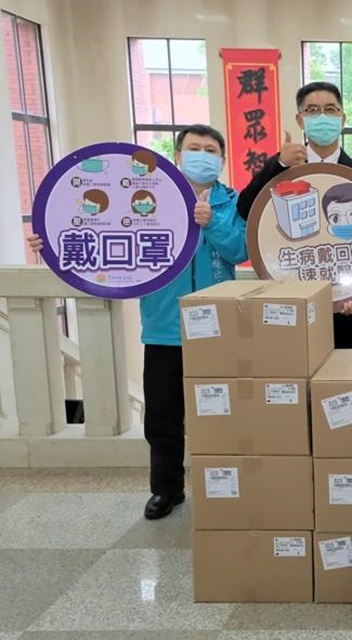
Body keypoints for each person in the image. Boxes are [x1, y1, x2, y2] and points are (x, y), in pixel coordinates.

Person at [28, 124, 247, 520]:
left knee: (221, 413)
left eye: (211, 150)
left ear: (222, 159)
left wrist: (210, 221)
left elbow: (239, 249)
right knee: (162, 416)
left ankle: (224, 488)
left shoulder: (231, 202)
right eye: (194, 148)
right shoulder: (150, 196)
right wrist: (51, 241)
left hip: (217, 327)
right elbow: (98, 230)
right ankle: (167, 489)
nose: (202, 155)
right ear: (177, 155)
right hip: (164, 327)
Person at [237, 81, 352, 349]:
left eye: (331, 109)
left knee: (346, 373)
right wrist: (279, 163)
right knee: (294, 372)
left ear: (343, 119)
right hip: (292, 304)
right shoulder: (281, 168)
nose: (322, 117)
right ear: (300, 120)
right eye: (313, 110)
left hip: (346, 306)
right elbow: (245, 209)